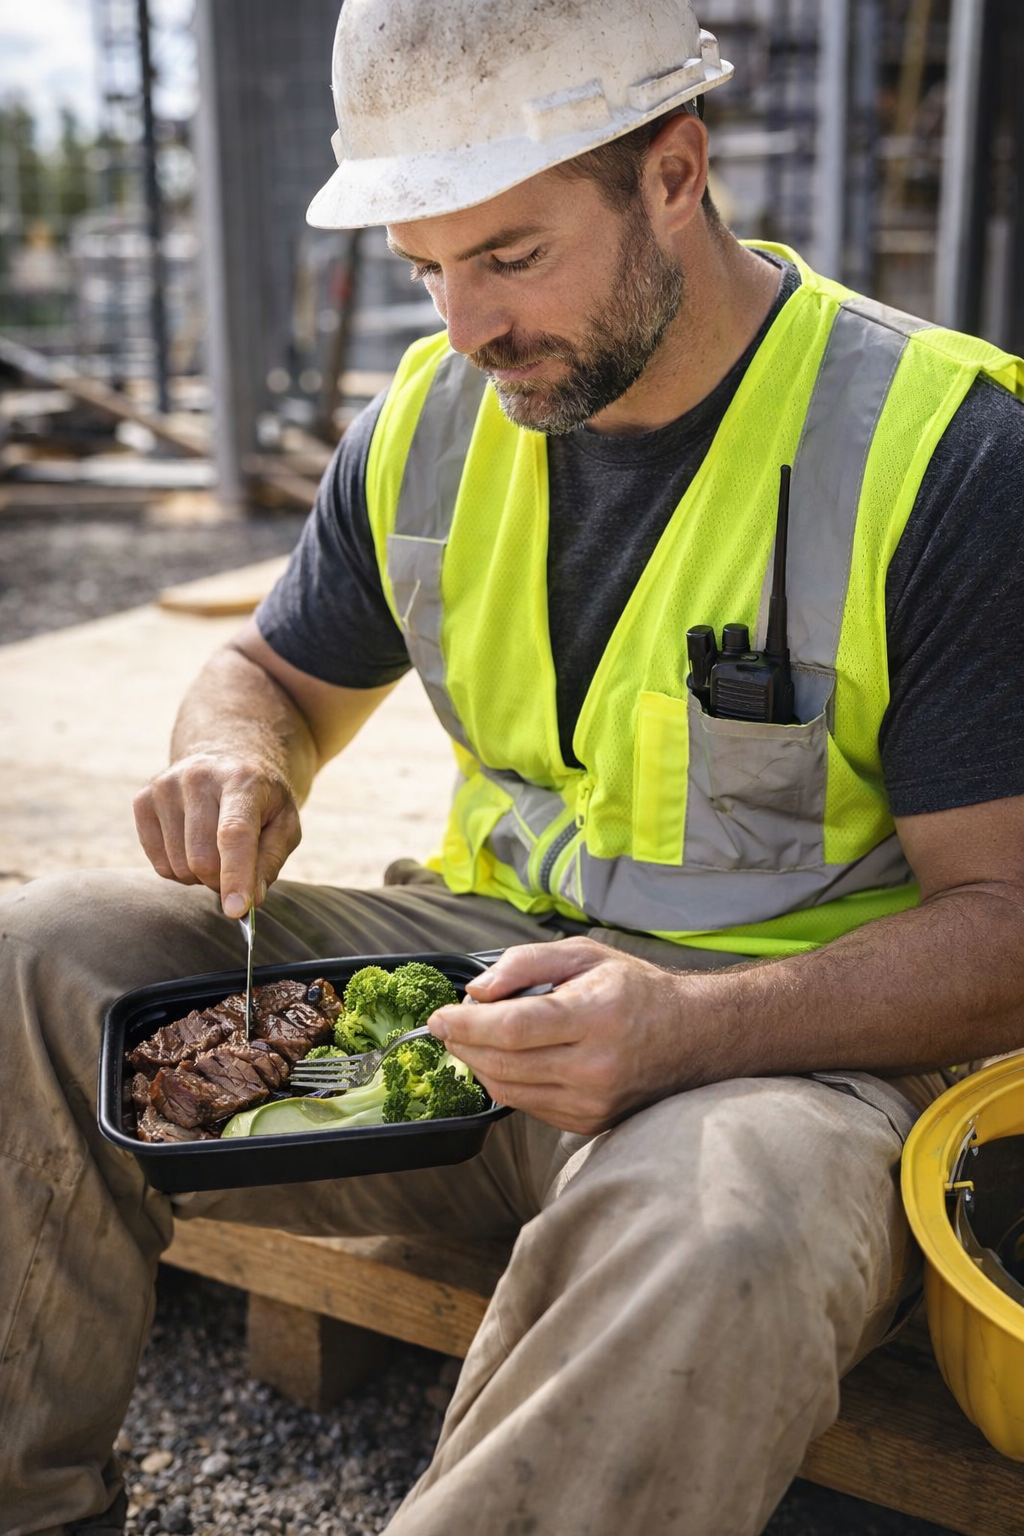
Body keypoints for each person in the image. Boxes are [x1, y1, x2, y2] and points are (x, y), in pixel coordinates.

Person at [2, 1, 1023, 1532]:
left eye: (510, 256)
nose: (464, 326)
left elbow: (1008, 925)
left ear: (674, 173)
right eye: (427, 269)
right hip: (486, 1006)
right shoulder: (428, 419)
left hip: (789, 1060)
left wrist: (681, 1028)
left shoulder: (943, 451)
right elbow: (264, 669)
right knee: (36, 963)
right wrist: (235, 753)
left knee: (724, 1227)